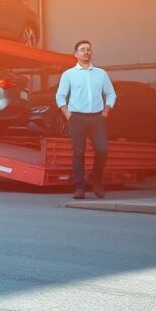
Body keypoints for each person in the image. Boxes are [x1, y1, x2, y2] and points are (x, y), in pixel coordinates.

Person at [56, 40, 116, 199]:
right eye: (82, 49)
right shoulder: (69, 74)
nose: (86, 52)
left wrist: (106, 111)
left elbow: (111, 93)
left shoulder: (101, 74)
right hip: (77, 117)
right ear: (76, 54)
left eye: (88, 49)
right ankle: (79, 187)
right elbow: (60, 96)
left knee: (102, 150)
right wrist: (68, 114)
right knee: (79, 152)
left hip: (97, 117)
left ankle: (96, 178)